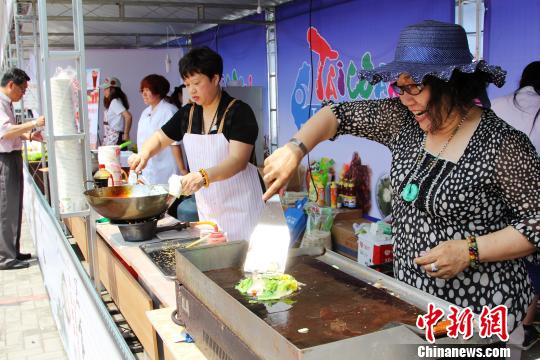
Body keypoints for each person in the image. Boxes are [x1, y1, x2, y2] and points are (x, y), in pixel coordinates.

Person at [263, 20, 540, 348]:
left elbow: (536, 225)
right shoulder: (403, 122)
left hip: (482, 312)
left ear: (452, 82)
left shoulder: (503, 144)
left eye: (415, 87)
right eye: (400, 87)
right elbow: (335, 115)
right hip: (416, 302)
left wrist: (469, 250)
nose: (405, 98)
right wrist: (295, 149)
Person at [129, 46, 264, 241]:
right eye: (186, 84)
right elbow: (160, 138)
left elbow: (238, 160)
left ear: (215, 79)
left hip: (243, 210)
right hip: (209, 209)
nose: (191, 90)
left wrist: (203, 176)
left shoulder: (238, 112)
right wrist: (144, 154)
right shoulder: (188, 114)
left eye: (197, 83)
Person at [492, 61, 540, 350]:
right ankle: (522, 327)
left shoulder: (498, 104)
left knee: (496, 257)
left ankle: (496, 324)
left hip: (493, 201)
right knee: (531, 261)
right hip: (530, 205)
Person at [0, 68, 46, 270]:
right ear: (11, 85)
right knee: (6, 207)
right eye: (23, 89)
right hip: (5, 159)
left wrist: (28, 135)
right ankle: (5, 257)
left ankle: (12, 250)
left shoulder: (6, 103)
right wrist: (33, 123)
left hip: (12, 156)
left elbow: (11, 132)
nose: (24, 93)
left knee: (13, 206)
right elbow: (5, 132)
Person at [137, 74, 187, 184]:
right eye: (142, 90)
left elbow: (175, 143)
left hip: (167, 167)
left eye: (148, 90)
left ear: (158, 91)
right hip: (149, 168)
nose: (144, 94)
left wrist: (183, 170)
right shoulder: (145, 113)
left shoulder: (169, 110)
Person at [100, 77, 132, 146]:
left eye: (107, 89)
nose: (104, 91)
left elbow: (128, 116)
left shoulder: (115, 102)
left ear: (113, 89)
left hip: (115, 139)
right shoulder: (115, 101)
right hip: (112, 138)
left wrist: (126, 134)